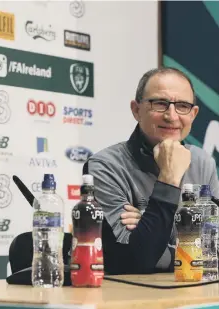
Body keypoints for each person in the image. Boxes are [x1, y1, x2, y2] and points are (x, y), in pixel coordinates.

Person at [83, 67, 219, 275]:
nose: (171, 115)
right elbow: (137, 259)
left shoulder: (202, 162)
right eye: (160, 104)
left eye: (182, 106)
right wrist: (169, 179)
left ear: (193, 114)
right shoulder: (104, 166)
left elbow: (214, 250)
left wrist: (147, 223)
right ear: (136, 110)